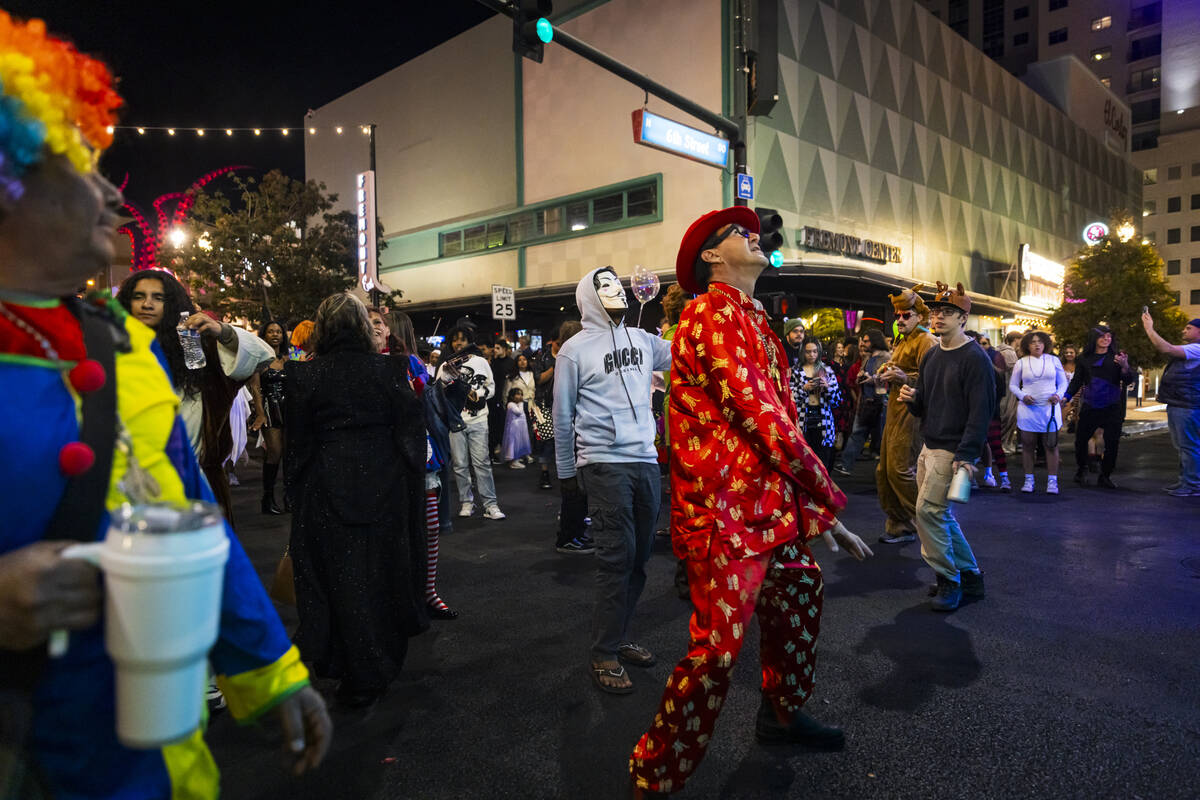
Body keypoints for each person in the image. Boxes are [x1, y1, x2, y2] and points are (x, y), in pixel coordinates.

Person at [0, 16, 329, 795]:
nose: (111, 195)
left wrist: (273, 673)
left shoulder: (121, 346)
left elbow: (190, 518)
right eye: (79, 169)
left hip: (159, 759)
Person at [630, 209, 871, 797]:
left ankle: (780, 715)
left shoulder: (755, 317)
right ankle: (655, 773)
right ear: (712, 256)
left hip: (767, 510)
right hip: (726, 515)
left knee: (799, 594)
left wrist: (813, 515)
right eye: (740, 234)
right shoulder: (711, 314)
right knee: (715, 652)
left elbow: (781, 419)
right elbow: (764, 420)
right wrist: (827, 495)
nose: (754, 238)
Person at [285, 293, 429, 706]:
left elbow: (298, 444)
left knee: (336, 578)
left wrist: (297, 491)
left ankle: (344, 662)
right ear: (364, 328)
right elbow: (410, 429)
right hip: (385, 486)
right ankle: (377, 664)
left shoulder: (304, 376)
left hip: (326, 487)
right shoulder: (389, 369)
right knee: (381, 573)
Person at [553, 266, 672, 694]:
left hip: (645, 460)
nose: (615, 291)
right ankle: (603, 652)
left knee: (640, 559)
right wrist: (567, 475)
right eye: (604, 286)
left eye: (617, 285)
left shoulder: (642, 339)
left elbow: (684, 352)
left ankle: (617, 638)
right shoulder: (573, 350)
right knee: (615, 560)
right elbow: (562, 416)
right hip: (603, 464)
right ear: (589, 295)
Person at [117, 270, 274, 524]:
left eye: (158, 297)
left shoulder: (203, 355)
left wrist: (223, 331)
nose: (147, 304)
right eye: (139, 297)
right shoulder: (112, 357)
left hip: (196, 496)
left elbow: (262, 355)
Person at [898, 282, 994, 612]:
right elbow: (925, 403)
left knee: (927, 512)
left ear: (964, 318)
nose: (938, 317)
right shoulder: (932, 355)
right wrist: (913, 398)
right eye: (936, 311)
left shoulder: (975, 358)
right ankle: (970, 577)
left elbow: (981, 412)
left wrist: (967, 455)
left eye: (947, 312)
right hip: (930, 445)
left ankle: (948, 580)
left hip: (952, 451)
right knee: (940, 516)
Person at [873, 285, 937, 544]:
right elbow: (903, 370)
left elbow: (932, 380)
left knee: (901, 470)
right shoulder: (904, 339)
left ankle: (929, 523)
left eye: (906, 315)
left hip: (912, 412)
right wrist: (890, 369)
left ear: (919, 316)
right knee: (883, 470)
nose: (900, 319)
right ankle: (900, 524)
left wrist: (903, 376)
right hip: (894, 409)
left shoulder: (926, 340)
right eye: (897, 315)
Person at [436, 324, 505, 519]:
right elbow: (437, 392)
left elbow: (491, 387)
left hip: (479, 418)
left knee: (482, 462)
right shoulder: (444, 365)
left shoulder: (481, 362)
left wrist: (479, 394)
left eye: (463, 339)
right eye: (455, 339)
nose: (459, 343)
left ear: (469, 341)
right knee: (459, 464)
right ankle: (466, 502)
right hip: (455, 420)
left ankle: (490, 504)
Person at [1063, 324, 1132, 488]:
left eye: (1109, 336)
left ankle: (1106, 475)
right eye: (1102, 336)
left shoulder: (1117, 357)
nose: (1106, 339)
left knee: (1112, 442)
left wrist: (1125, 366)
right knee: (1080, 440)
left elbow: (1128, 380)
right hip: (1090, 404)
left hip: (1113, 405)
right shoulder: (1083, 358)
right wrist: (1066, 396)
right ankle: (1082, 469)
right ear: (1094, 338)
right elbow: (1077, 380)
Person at [1142, 312, 1200, 496]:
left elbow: (1166, 348)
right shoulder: (1192, 348)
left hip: (1187, 406)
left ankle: (1192, 484)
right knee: (1183, 446)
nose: (1184, 330)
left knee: (1189, 446)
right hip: (1179, 403)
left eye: (1189, 328)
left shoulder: (1197, 349)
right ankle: (1186, 481)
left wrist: (1149, 328)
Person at [1009, 331, 1068, 494]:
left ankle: (1052, 482)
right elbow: (1013, 385)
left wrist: (1058, 395)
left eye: (1040, 342)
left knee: (1051, 444)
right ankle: (1029, 480)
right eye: (1033, 342)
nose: (1037, 345)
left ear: (1045, 344)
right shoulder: (1021, 362)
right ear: (1027, 345)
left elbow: (1063, 383)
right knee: (1028, 444)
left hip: (1050, 407)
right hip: (1028, 407)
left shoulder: (1054, 360)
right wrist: (1022, 396)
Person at [834, 328, 890, 473]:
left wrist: (872, 379)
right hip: (865, 401)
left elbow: (887, 379)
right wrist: (861, 377)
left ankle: (885, 470)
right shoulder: (868, 356)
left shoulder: (886, 357)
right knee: (857, 433)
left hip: (881, 403)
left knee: (882, 438)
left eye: (866, 341)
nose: (863, 344)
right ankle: (846, 464)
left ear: (874, 341)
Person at [248, 319, 289, 514]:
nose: (275, 334)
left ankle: (289, 497)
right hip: (269, 407)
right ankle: (268, 497)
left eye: (279, 332)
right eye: (271, 331)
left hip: (289, 406)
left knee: (290, 453)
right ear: (264, 335)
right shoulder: (260, 358)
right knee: (274, 452)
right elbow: (255, 388)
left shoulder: (290, 357)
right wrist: (260, 413)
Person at [791, 339, 843, 470]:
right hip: (803, 419)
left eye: (814, 351)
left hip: (823, 418)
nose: (812, 355)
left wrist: (827, 387)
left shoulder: (827, 370)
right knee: (805, 460)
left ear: (819, 352)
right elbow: (790, 398)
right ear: (803, 352)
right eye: (808, 352)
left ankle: (823, 488)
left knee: (823, 460)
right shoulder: (796, 371)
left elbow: (837, 401)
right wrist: (804, 388)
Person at [488, 337, 517, 462]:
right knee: (494, 427)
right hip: (495, 399)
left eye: (498, 348)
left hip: (507, 399)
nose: (495, 350)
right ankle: (493, 451)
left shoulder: (511, 362)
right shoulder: (493, 362)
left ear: (504, 349)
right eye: (494, 348)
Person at [994, 331, 1021, 453]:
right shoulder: (1010, 352)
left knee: (1004, 416)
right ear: (1016, 339)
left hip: (1003, 388)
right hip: (1009, 389)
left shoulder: (999, 350)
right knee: (1009, 416)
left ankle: (1004, 443)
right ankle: (1005, 443)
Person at [501, 387, 532, 468]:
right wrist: (521, 404)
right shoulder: (511, 404)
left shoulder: (517, 404)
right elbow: (519, 412)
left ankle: (516, 458)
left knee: (519, 443)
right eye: (518, 394)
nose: (521, 396)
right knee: (514, 444)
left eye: (522, 394)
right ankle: (513, 461)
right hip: (514, 429)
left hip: (520, 429)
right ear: (512, 396)